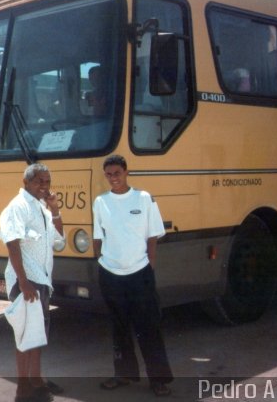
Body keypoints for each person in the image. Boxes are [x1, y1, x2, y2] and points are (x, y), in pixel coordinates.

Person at [92, 154, 173, 397]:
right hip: (111, 275)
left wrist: (149, 266)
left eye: (117, 173)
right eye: (108, 175)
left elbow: (153, 236)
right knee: (119, 327)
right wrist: (103, 262)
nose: (113, 178)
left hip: (140, 274)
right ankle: (124, 375)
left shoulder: (144, 198)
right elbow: (98, 236)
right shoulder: (100, 202)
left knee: (148, 327)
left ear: (126, 172)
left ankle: (159, 380)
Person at [0, 163, 65, 402]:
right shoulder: (18, 207)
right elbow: (12, 244)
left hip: (42, 280)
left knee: (37, 334)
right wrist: (23, 282)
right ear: (26, 182)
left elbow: (59, 241)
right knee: (25, 335)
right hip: (27, 282)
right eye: (39, 181)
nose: (44, 186)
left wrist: (55, 209)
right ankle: (23, 390)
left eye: (47, 181)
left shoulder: (42, 208)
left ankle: (36, 381)